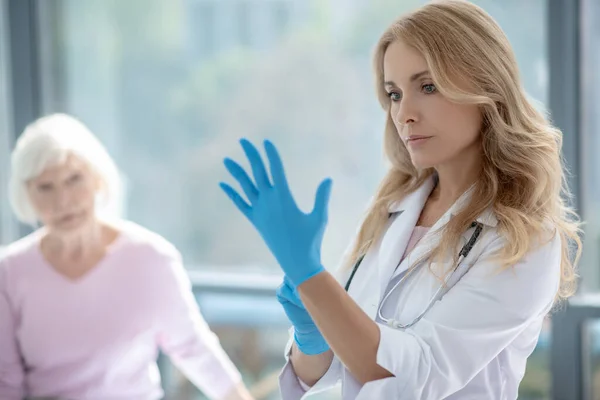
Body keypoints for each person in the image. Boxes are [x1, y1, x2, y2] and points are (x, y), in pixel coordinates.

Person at [218, 0, 582, 399]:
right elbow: (335, 371)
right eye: (393, 94)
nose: (404, 113)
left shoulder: (525, 240)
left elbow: (417, 375)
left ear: (486, 87)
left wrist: (313, 279)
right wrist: (313, 337)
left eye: (427, 87)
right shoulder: (392, 209)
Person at [0, 113, 254, 400]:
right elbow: (5, 380)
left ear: (97, 178)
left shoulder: (151, 258)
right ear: (26, 195)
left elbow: (193, 348)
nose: (63, 201)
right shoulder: (10, 272)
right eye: (46, 187)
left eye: (74, 179)